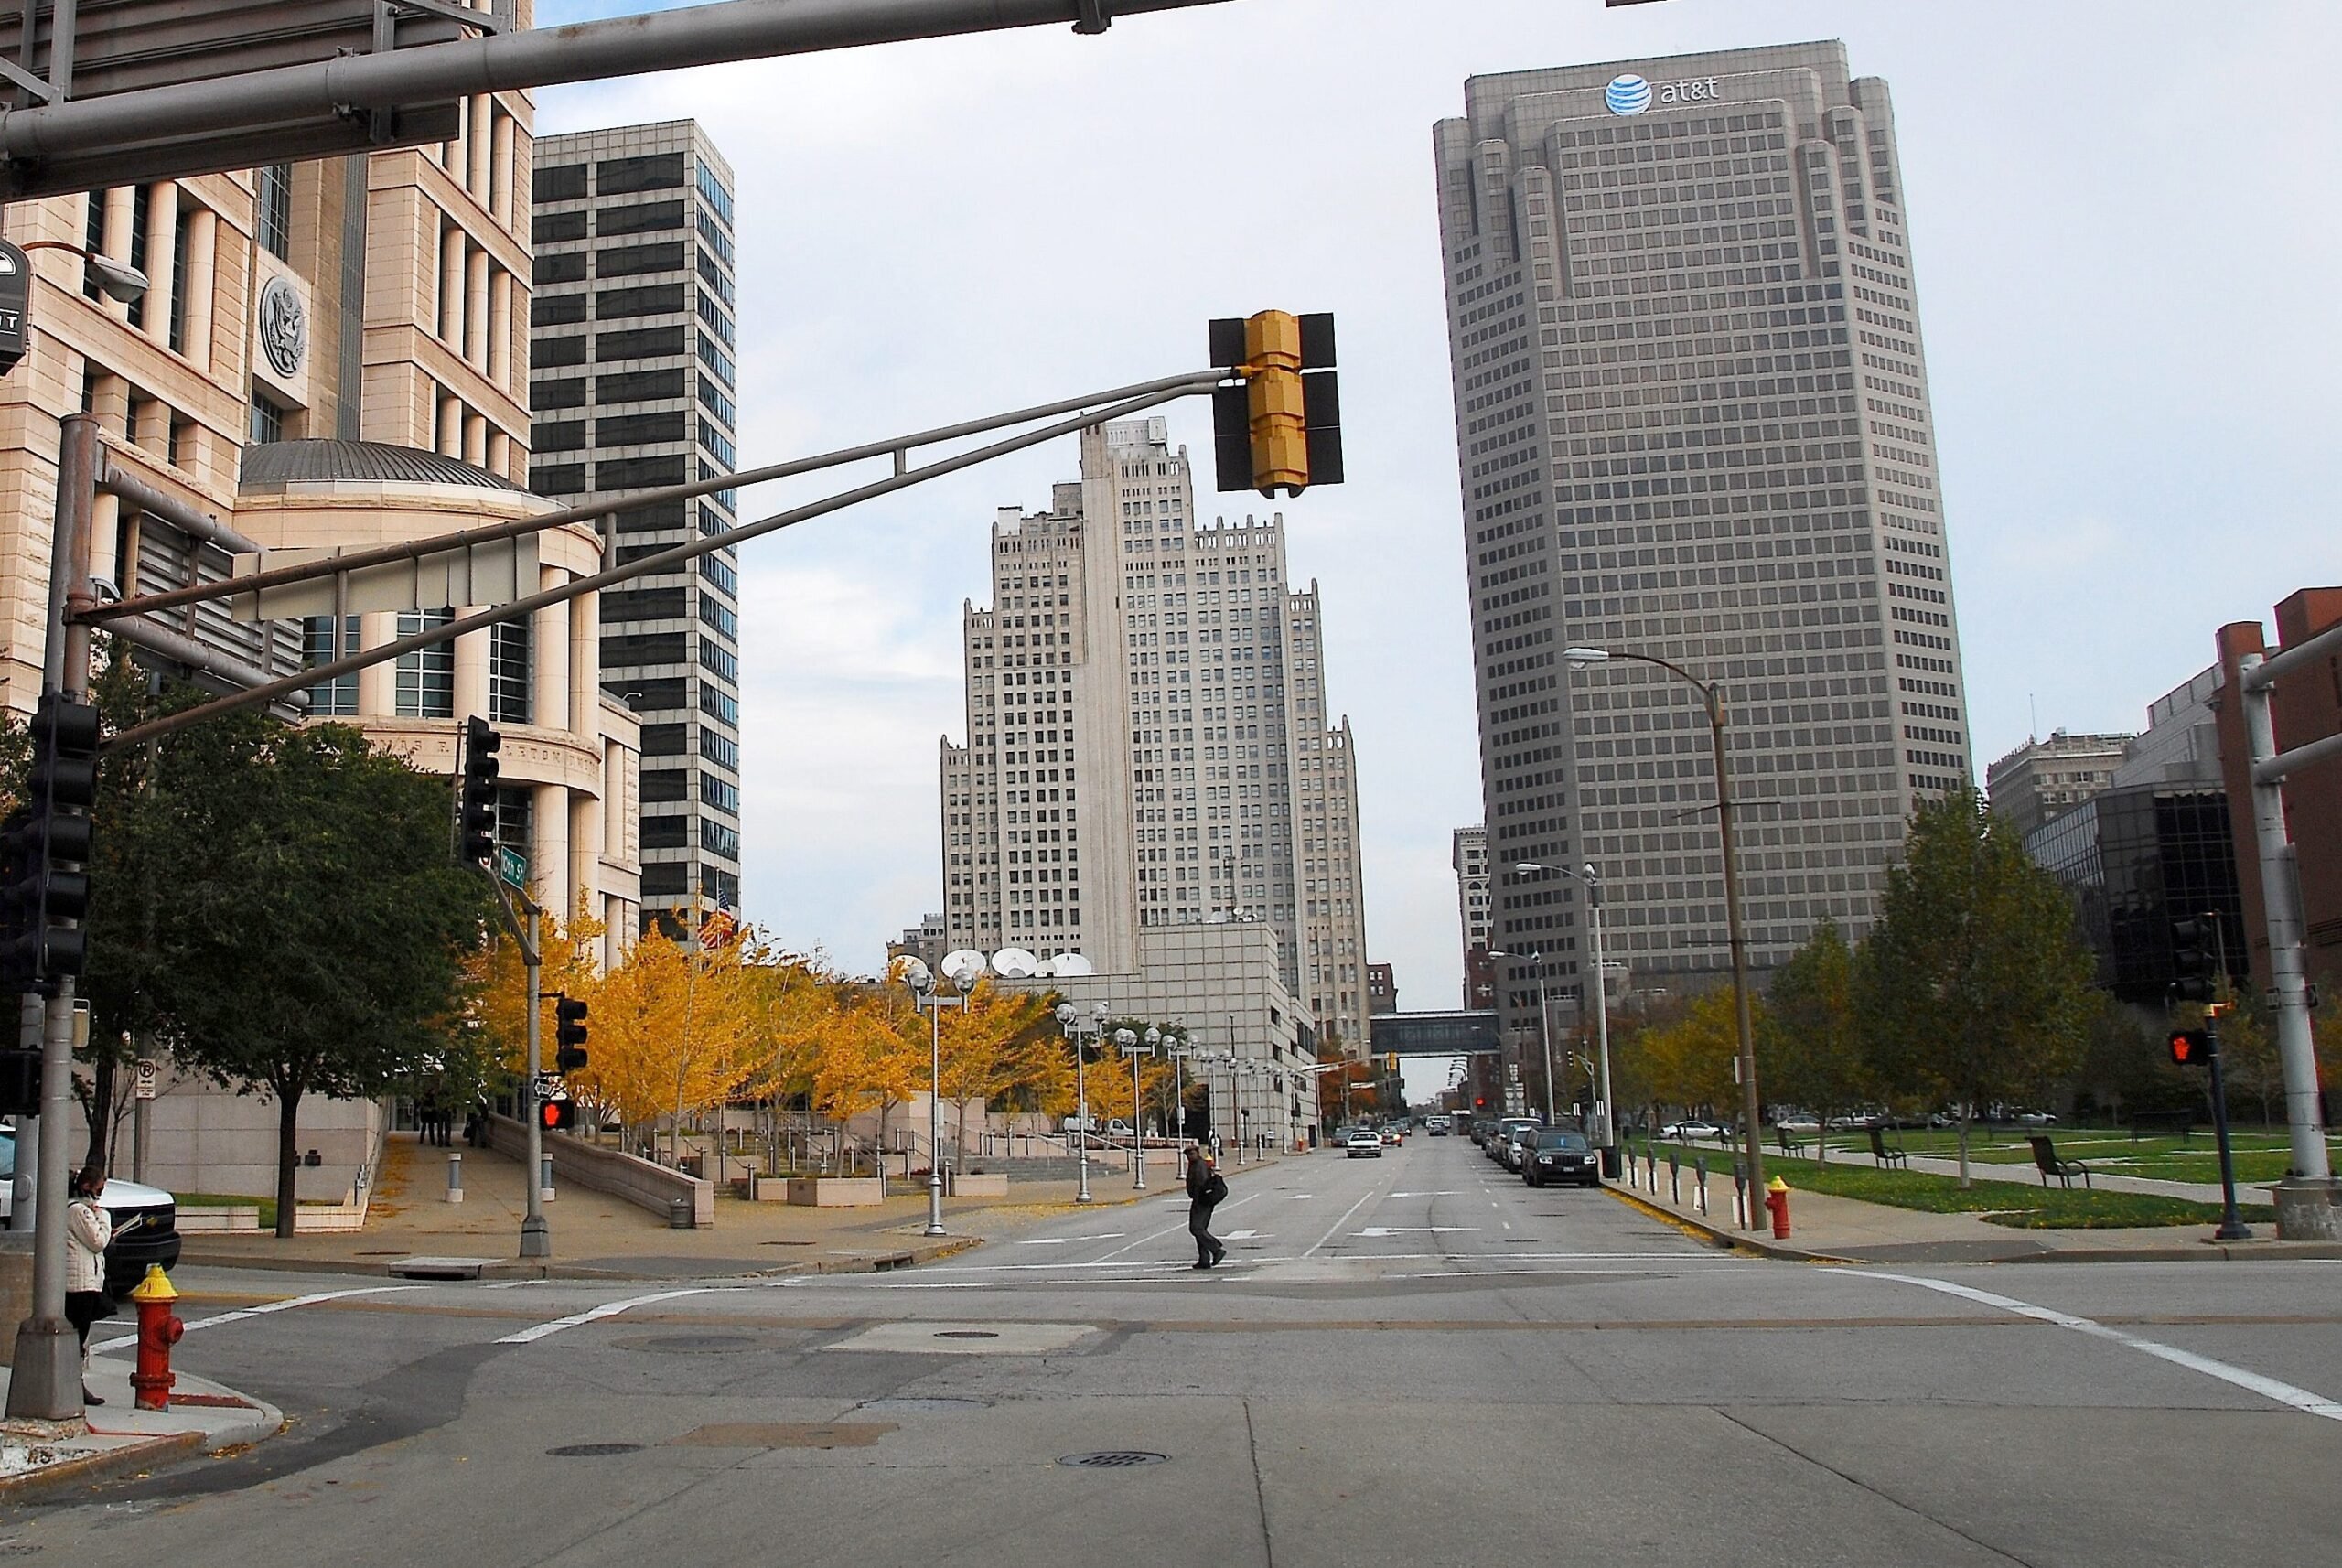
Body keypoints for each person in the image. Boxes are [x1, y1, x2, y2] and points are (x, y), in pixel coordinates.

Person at [66, 1165, 116, 1408]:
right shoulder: (77, 1211)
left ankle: (75, 1382)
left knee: (81, 1336)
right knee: (77, 1336)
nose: (100, 1194)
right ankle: (73, 1383)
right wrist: (104, 1218)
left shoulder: (83, 1211)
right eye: (99, 1188)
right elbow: (97, 1241)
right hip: (78, 1284)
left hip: (87, 1280)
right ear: (86, 1186)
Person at [1184, 1146, 1227, 1270]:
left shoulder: (1199, 1166)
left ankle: (1216, 1249)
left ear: (1197, 1153)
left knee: (1196, 1228)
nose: (1190, 1156)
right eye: (1188, 1154)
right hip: (1200, 1200)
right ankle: (1204, 1259)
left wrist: (1198, 1196)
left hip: (1202, 1201)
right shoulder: (1195, 1164)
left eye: (1192, 1153)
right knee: (1200, 1229)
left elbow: (1201, 1185)